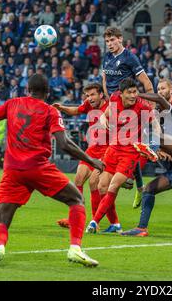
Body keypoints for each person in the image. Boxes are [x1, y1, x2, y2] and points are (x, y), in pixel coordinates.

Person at [0, 74, 103, 268]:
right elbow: (64, 144)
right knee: (76, 199)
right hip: (38, 168)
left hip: (12, 170)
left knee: (1, 216)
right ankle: (75, 248)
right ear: (47, 93)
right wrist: (91, 160)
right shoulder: (49, 111)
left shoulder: (12, 103)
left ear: (27, 90)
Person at [121, 90, 172, 236]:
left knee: (154, 137)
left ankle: (151, 149)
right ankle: (141, 229)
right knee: (149, 189)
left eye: (157, 109)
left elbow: (159, 98)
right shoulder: (151, 128)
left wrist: (137, 94)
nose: (155, 111)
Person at [85, 78, 159, 233]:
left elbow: (156, 125)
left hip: (130, 153)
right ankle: (116, 224)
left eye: (135, 91)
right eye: (130, 92)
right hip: (113, 149)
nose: (133, 95)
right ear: (122, 93)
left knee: (113, 185)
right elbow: (105, 114)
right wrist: (104, 118)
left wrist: (154, 145)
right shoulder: (114, 98)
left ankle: (94, 222)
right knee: (101, 186)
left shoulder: (143, 106)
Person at [53, 83, 121, 233]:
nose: (89, 98)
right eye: (87, 95)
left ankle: (95, 221)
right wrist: (62, 108)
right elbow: (76, 110)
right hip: (93, 148)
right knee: (78, 179)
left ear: (101, 95)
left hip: (108, 150)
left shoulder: (111, 107)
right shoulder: (89, 105)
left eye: (92, 95)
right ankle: (76, 218)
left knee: (94, 183)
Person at [101, 27, 155, 204]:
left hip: (129, 109)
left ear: (120, 39)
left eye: (112, 41)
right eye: (107, 41)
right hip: (114, 105)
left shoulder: (130, 58)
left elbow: (146, 82)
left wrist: (152, 107)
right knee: (120, 146)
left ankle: (129, 178)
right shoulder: (107, 57)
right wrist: (108, 101)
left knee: (129, 146)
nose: (109, 44)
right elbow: (105, 80)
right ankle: (137, 185)